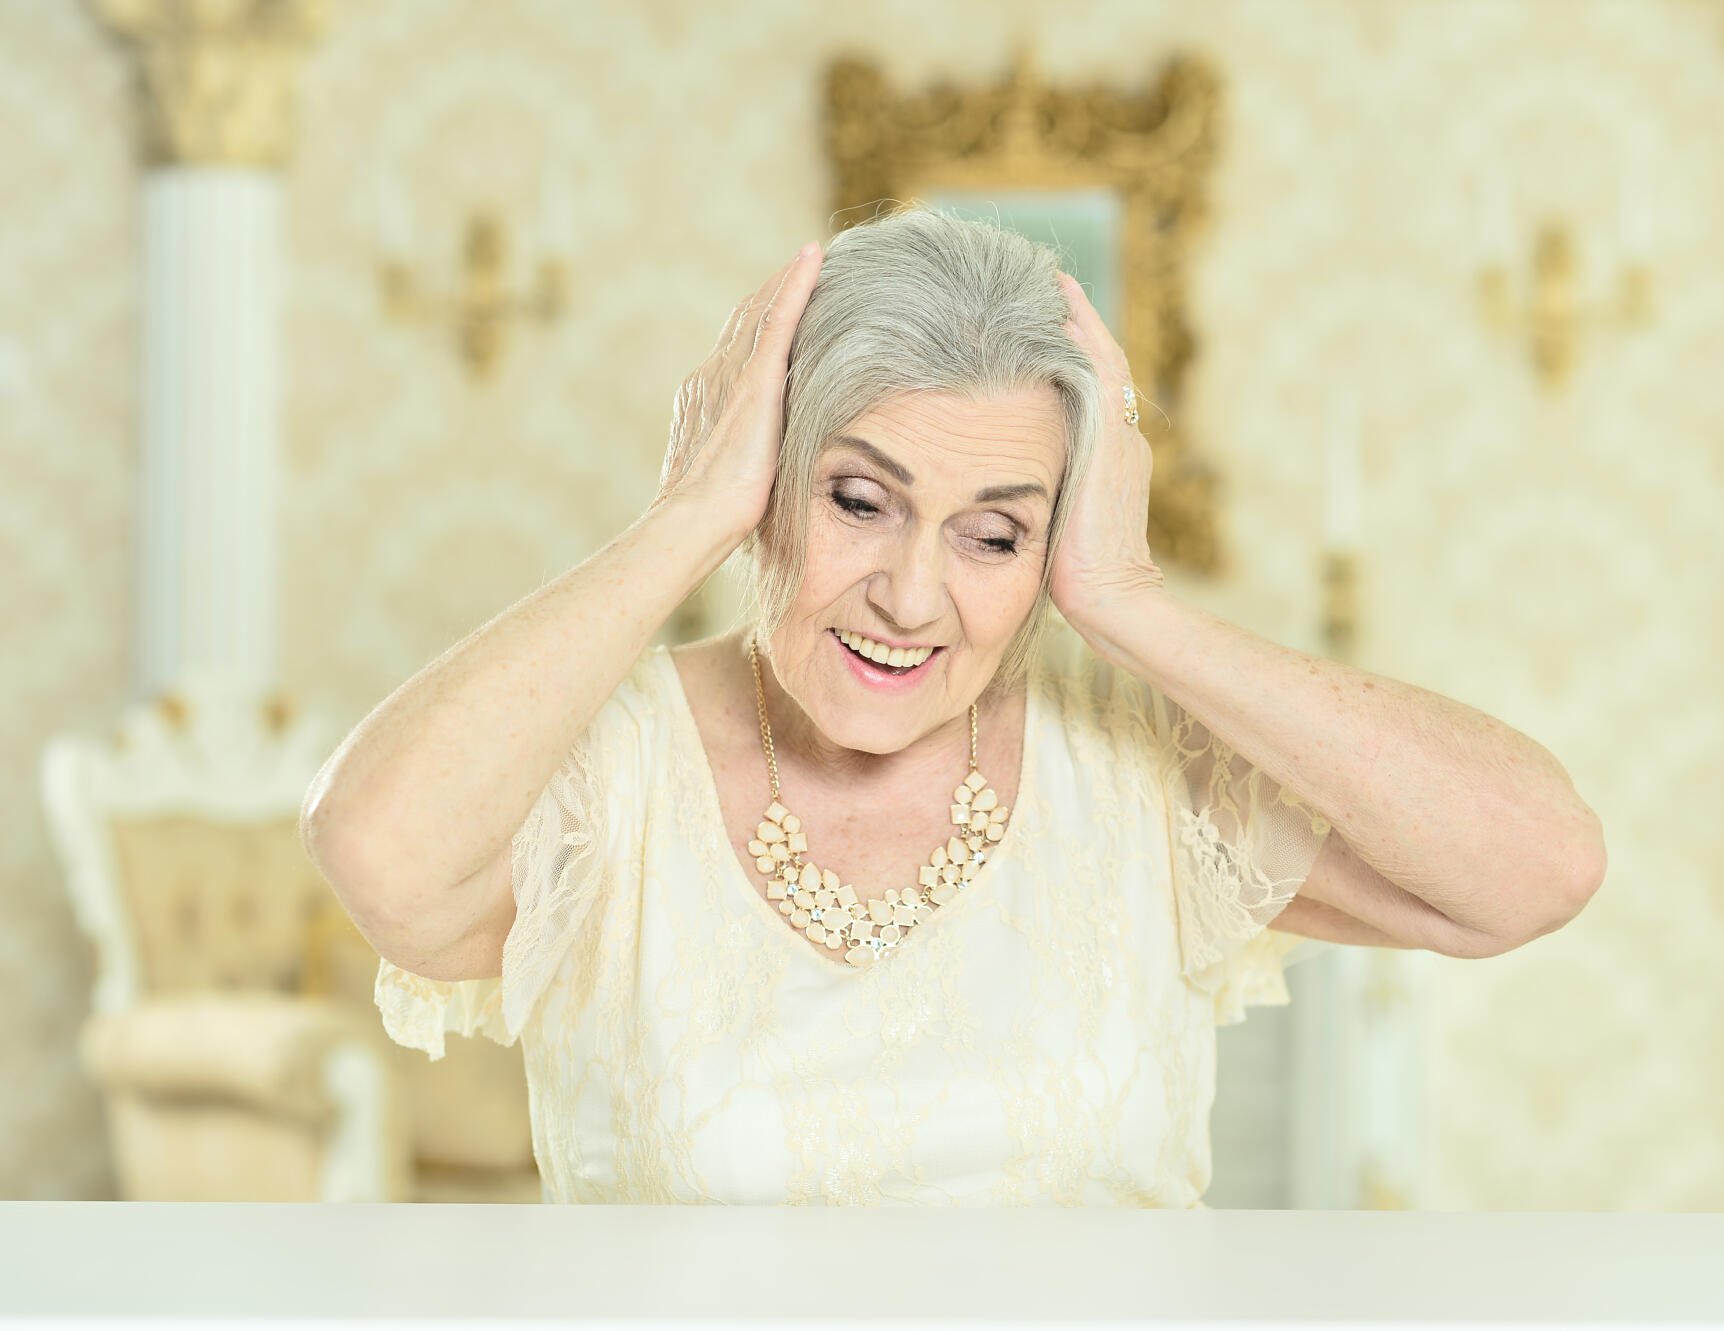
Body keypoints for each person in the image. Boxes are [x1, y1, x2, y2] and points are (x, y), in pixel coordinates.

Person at [301, 205, 1605, 1206]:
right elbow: (379, 854)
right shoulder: (614, 765)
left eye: (993, 538)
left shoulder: (1140, 769)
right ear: (770, 481)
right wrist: (683, 515)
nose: (911, 598)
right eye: (858, 503)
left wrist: (1131, 601)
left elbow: (1535, 866)